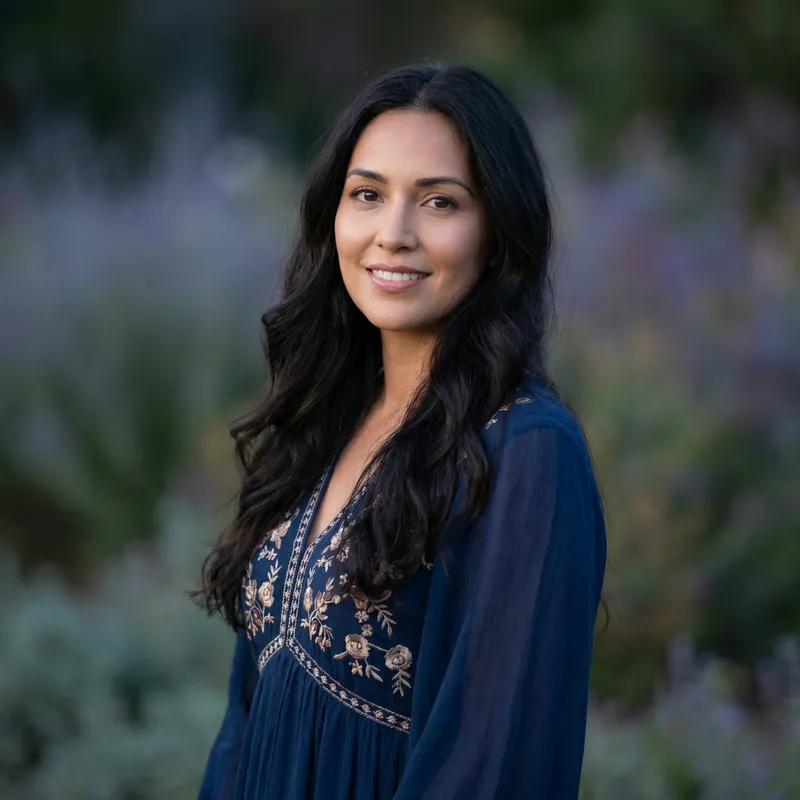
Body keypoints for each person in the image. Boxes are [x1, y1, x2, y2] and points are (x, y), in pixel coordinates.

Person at [195, 62, 606, 800]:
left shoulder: (526, 451)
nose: (393, 234)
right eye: (367, 194)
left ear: (499, 233)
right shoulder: (324, 422)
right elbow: (241, 728)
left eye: (440, 202)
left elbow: (495, 765)